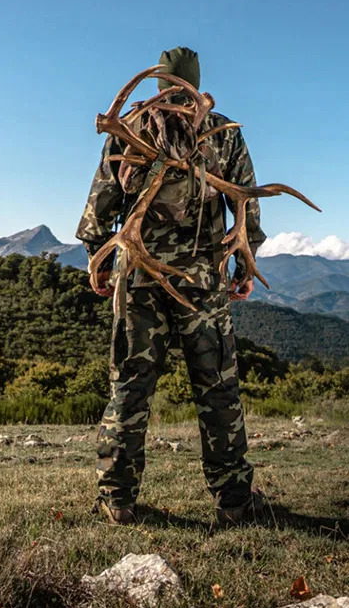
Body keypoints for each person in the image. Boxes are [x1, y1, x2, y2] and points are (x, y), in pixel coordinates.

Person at [76, 47, 265, 526]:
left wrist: (98, 258)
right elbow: (249, 202)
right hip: (201, 281)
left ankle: (117, 499)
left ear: (158, 83)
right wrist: (244, 263)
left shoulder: (132, 125)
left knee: (130, 386)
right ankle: (235, 502)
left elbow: (101, 202)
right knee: (218, 388)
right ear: (197, 83)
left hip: (137, 278)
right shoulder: (222, 132)